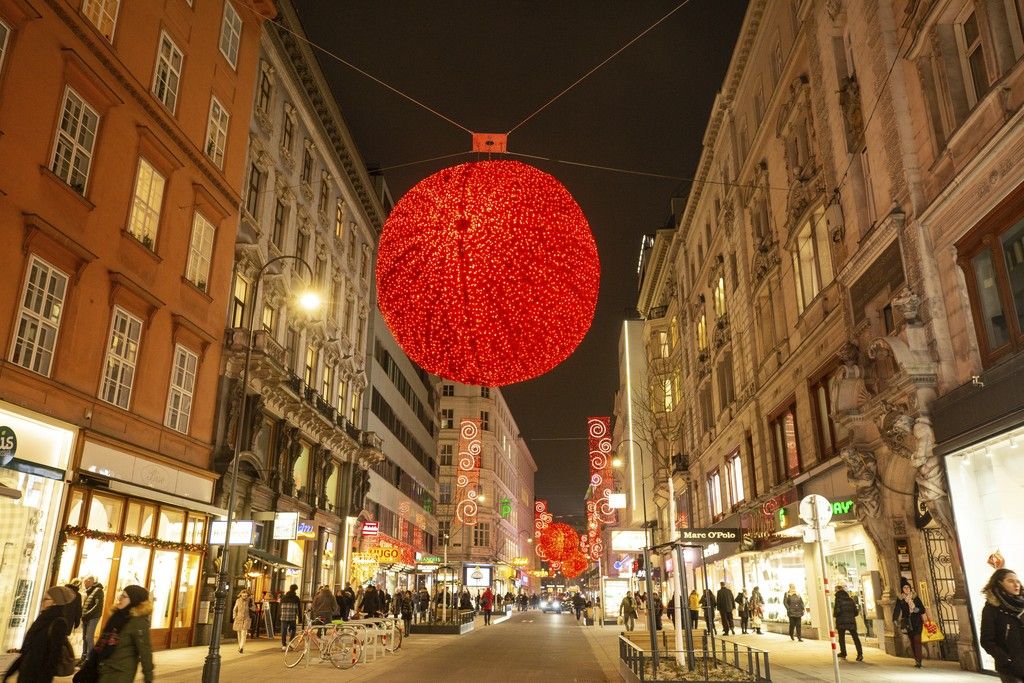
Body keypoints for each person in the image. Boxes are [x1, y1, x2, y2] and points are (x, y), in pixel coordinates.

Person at [4, 586, 74, 683]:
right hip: (26, 672)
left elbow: (54, 655)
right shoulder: (42, 619)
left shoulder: (59, 622)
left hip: (38, 675)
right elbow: (28, 651)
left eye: (46, 599)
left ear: (55, 602)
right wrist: (10, 672)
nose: (42, 602)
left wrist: (45, 678)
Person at [91, 585, 154, 683]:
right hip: (104, 667)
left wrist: (148, 677)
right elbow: (102, 642)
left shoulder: (138, 622)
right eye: (120, 595)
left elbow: (145, 651)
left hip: (121, 672)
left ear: (134, 599)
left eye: (124, 596)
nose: (120, 598)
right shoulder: (117, 616)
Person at [980, 568, 1024, 683]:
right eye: (1010, 581)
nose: (1016, 584)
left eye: (1017, 581)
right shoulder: (992, 609)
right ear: (1000, 583)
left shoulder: (1022, 605)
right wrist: (1006, 659)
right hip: (1010, 669)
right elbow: (986, 640)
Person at [892, 578, 927, 668]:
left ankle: (919, 660)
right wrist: (895, 619)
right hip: (908, 622)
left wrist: (917, 609)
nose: (907, 589)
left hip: (917, 621)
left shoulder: (915, 597)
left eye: (908, 587)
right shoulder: (901, 599)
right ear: (902, 589)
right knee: (912, 641)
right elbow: (897, 609)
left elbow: (922, 609)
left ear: (910, 588)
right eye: (904, 587)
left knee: (917, 640)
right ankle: (916, 659)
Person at [79, 576, 105, 665]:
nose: (84, 584)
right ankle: (84, 656)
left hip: (93, 617)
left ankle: (91, 659)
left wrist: (87, 614)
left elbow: (97, 606)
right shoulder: (91, 591)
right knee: (85, 637)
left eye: (85, 582)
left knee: (88, 637)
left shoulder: (98, 591)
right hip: (87, 617)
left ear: (90, 581)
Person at [833, 585, 863, 661]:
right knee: (855, 638)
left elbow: (836, 612)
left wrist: (836, 615)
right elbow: (856, 612)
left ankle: (843, 653)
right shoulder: (851, 600)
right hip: (851, 622)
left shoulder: (838, 600)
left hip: (841, 622)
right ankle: (860, 654)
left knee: (841, 638)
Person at [279, 584, 300, 651]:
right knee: (293, 629)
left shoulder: (284, 597)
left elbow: (280, 607)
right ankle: (291, 642)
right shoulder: (296, 598)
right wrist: (300, 617)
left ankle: (284, 645)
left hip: (284, 616)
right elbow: (299, 608)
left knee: (283, 631)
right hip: (292, 616)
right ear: (295, 590)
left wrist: (279, 615)